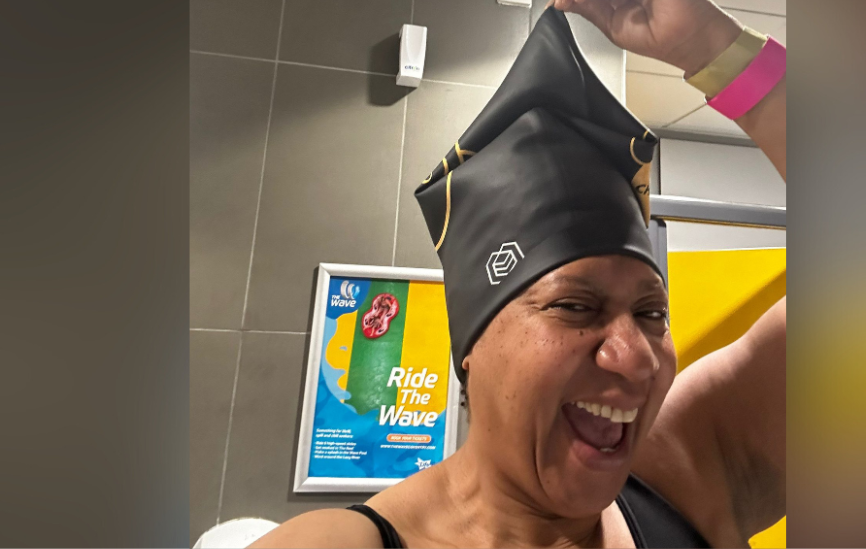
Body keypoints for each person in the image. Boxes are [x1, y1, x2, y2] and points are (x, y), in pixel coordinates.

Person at [252, 0, 785, 546]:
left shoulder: (692, 476)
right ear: (471, 345)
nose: (637, 356)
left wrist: (712, 49)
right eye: (575, 306)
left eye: (652, 312)